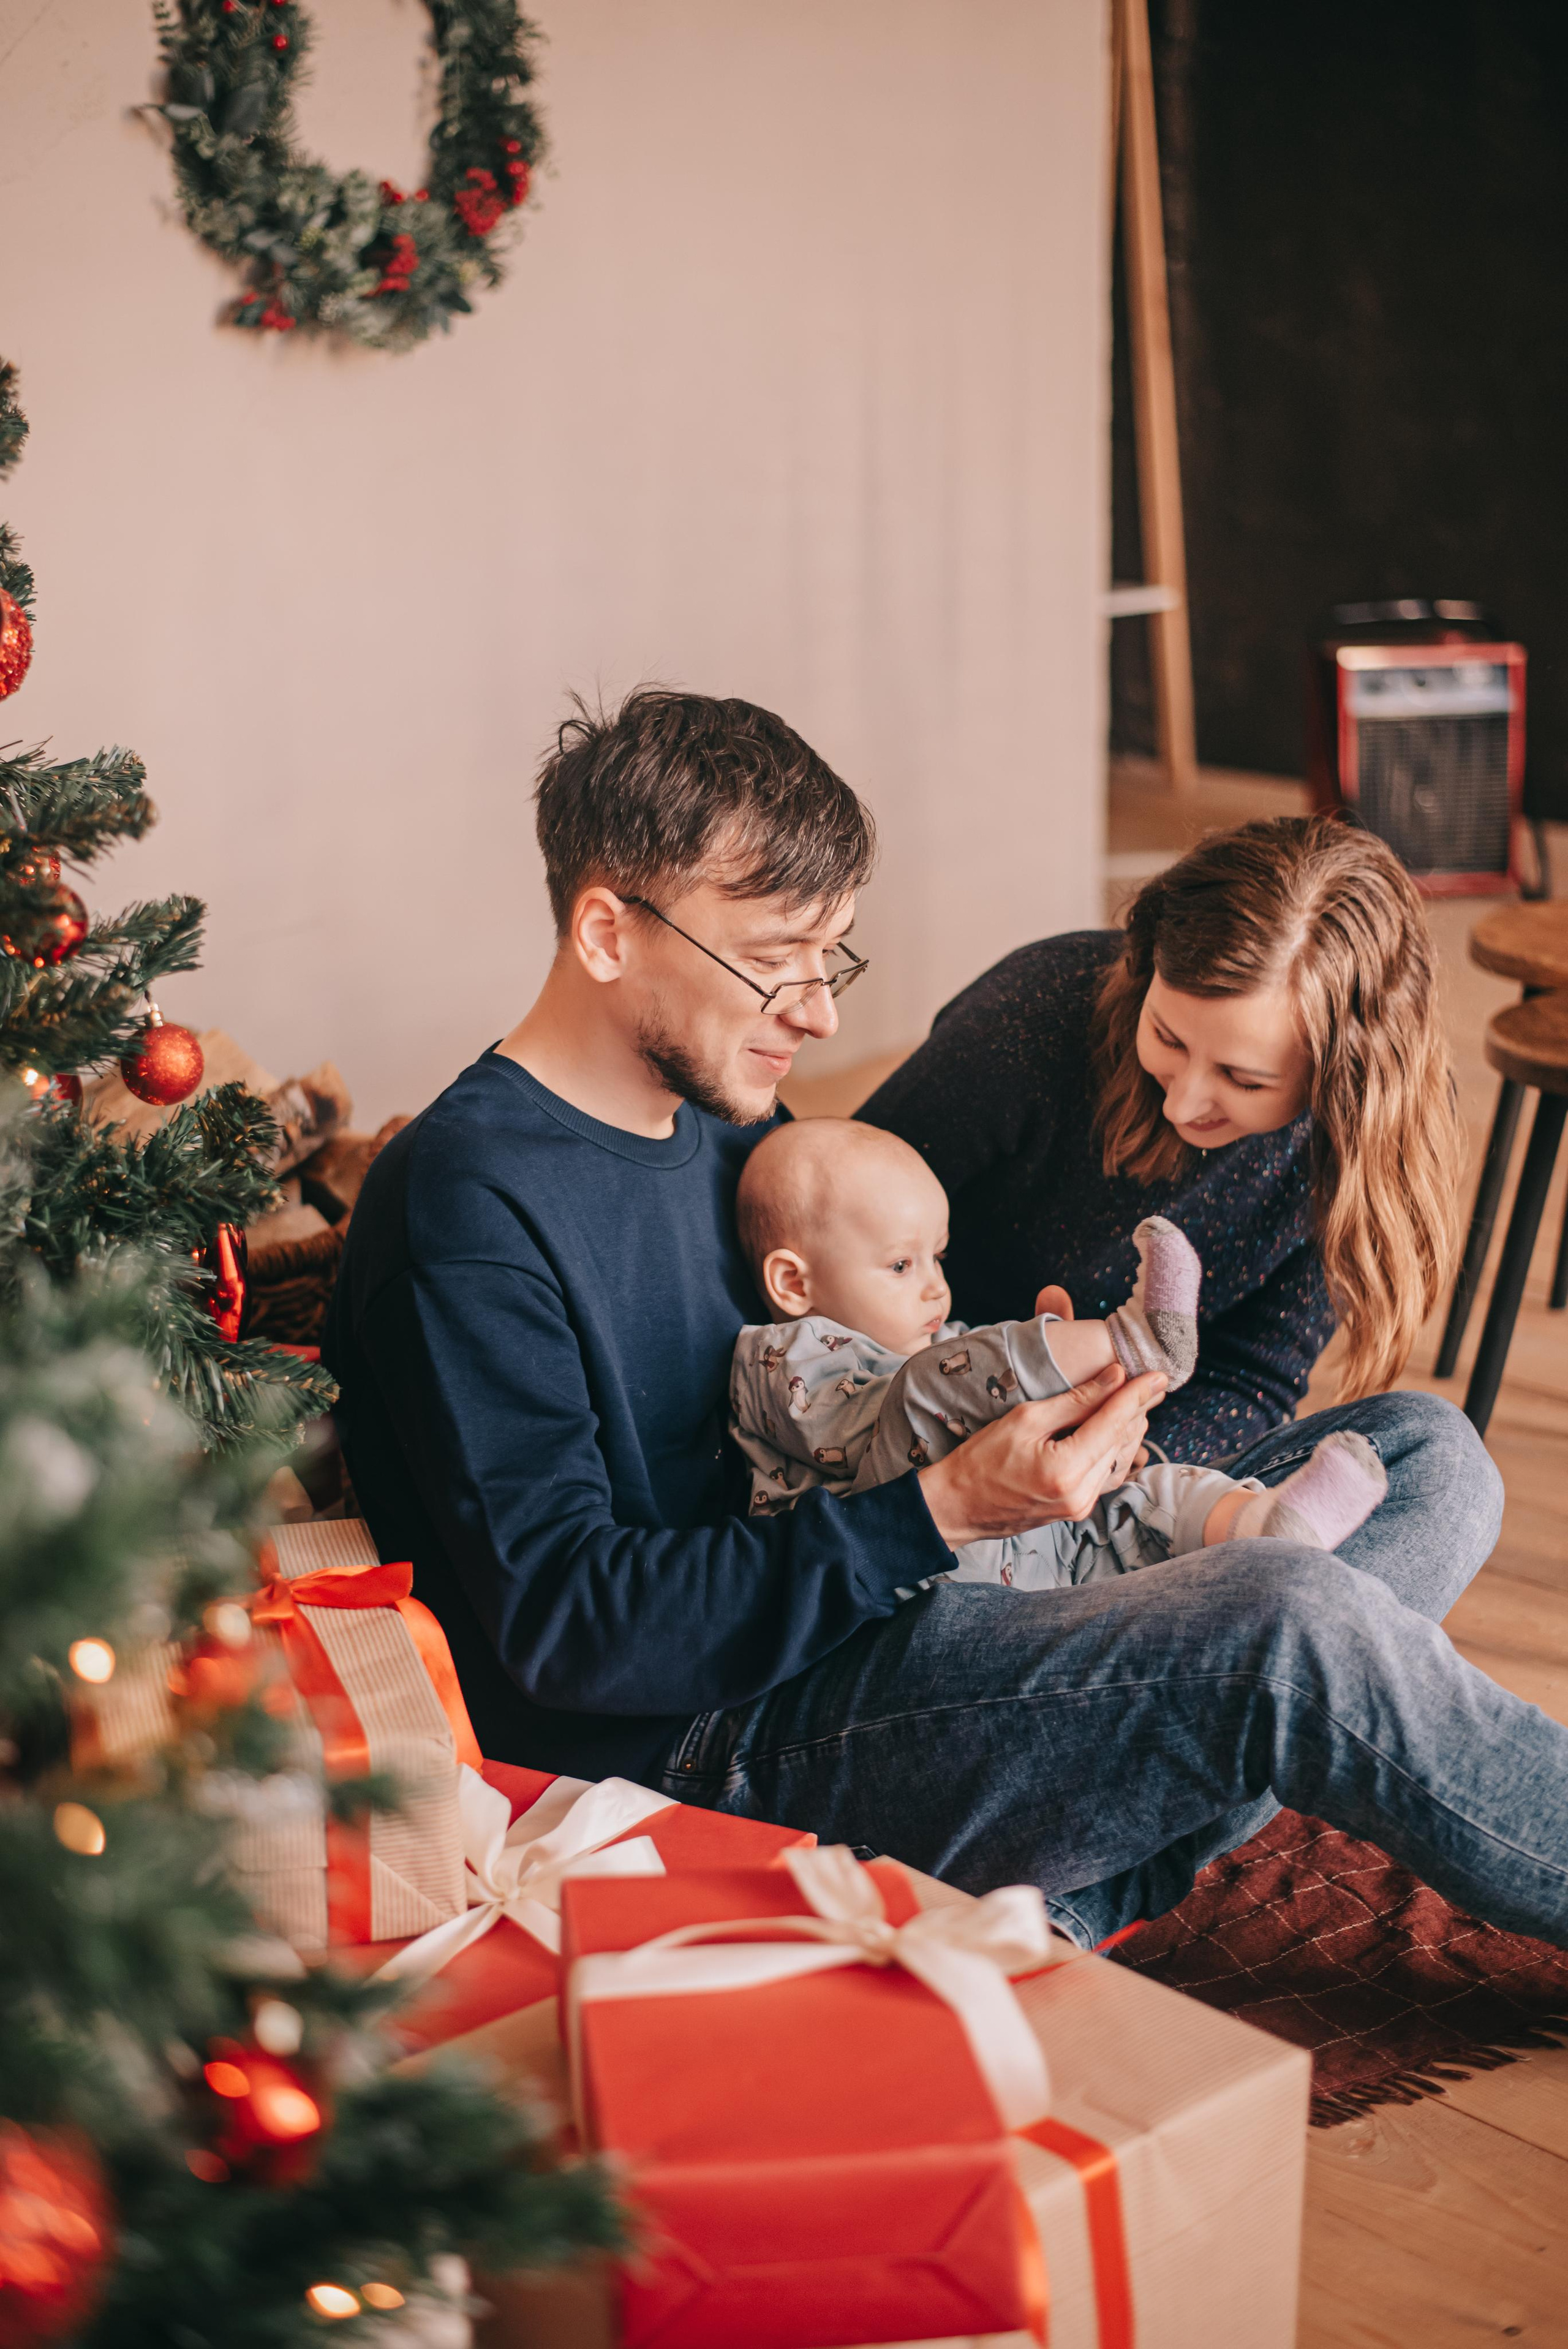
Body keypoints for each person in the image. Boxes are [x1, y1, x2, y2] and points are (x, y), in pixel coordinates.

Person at [325, 689, 1568, 1951]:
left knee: (1419, 1457)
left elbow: (843, 1383)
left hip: (889, 1585)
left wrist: (1008, 1412)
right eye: (772, 965)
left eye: (830, 961)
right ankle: (1094, 1858)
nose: (816, 1015)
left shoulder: (724, 1124)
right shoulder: (466, 1205)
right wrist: (942, 1509)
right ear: (605, 932)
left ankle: (1075, 1880)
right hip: (721, 1731)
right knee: (1288, 1625)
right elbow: (569, 1636)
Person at [860, 814, 1463, 1463]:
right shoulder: (1036, 1011)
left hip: (1134, 1467)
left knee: (1440, 1450)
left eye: (1243, 1079)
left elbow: (1249, 1378)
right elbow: (833, 1213)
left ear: (1340, 1086)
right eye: (1168, 1038)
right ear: (1145, 964)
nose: (1183, 1103)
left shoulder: (1356, 1136)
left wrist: (1128, 1459)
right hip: (898, 1409)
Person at [729, 1115, 1389, 1583]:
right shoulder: (780, 1359)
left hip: (1051, 1561)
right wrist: (1031, 1367)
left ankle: (1266, 1528)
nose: (936, 1287)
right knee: (935, 1384)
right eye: (901, 1266)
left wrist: (1091, 1433)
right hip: (904, 1586)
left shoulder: (939, 1342)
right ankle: (1134, 1341)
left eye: (938, 1257)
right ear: (794, 1282)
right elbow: (886, 1429)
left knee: (1149, 1492)